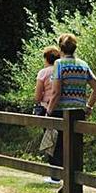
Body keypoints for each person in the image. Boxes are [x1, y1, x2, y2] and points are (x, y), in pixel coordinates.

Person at [45, 33, 96, 182]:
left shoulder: (59, 64)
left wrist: (49, 111)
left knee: (59, 148)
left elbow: (56, 92)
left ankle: (62, 179)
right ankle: (73, 181)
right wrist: (88, 106)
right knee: (75, 149)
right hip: (78, 112)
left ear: (60, 48)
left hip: (61, 112)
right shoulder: (83, 64)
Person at [33, 45, 63, 183]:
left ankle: (55, 175)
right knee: (63, 142)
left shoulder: (43, 73)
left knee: (51, 141)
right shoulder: (61, 70)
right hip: (63, 109)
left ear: (46, 58)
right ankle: (64, 173)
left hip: (48, 109)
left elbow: (37, 96)